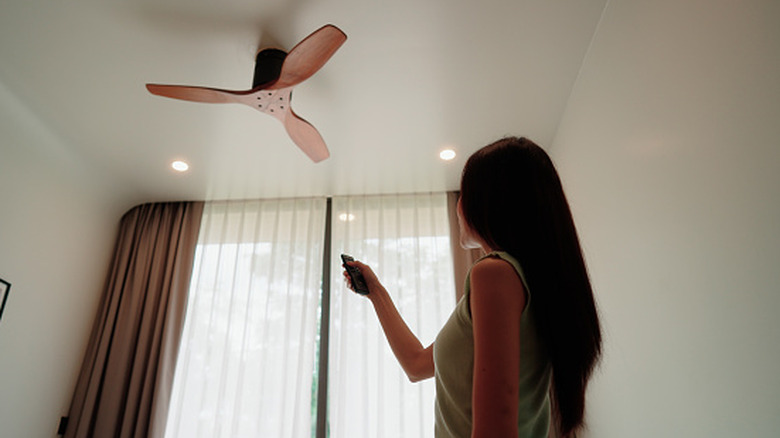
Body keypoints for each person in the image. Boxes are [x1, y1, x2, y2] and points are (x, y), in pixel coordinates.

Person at [343, 136, 602, 438]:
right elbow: (416, 365)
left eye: (465, 192)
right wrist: (376, 293)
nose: (459, 205)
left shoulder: (495, 273)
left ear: (489, 200)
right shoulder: (528, 280)